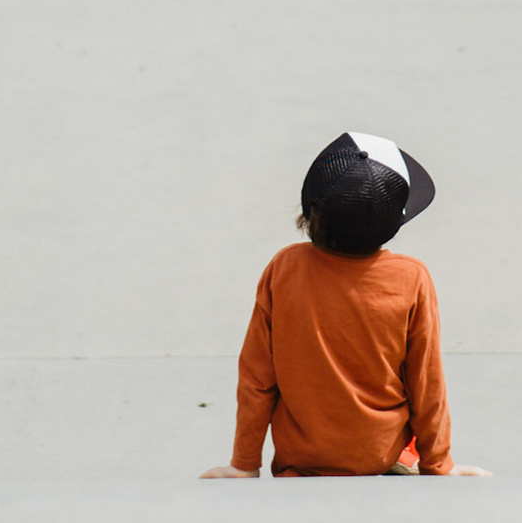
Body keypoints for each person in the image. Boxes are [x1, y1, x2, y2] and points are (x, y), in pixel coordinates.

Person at [201, 132, 490, 479]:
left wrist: (244, 464)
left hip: (302, 459)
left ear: (312, 211)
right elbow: (426, 383)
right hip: (379, 452)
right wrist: (439, 464)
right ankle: (404, 456)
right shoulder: (411, 277)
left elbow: (256, 378)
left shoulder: (285, 268)